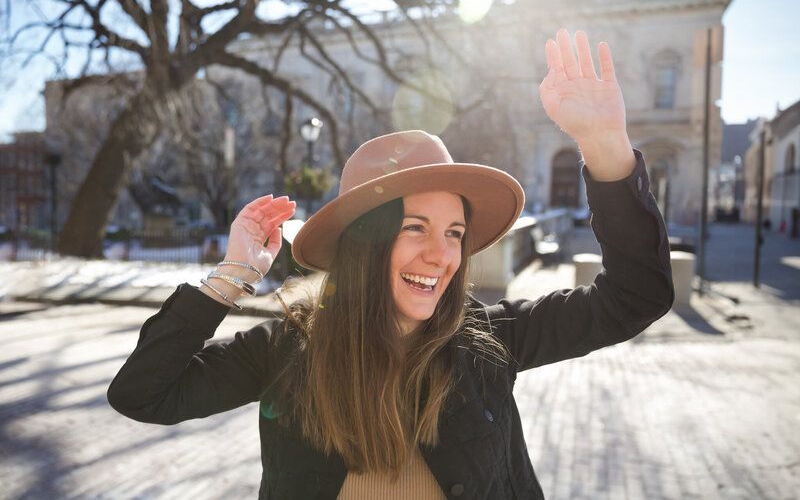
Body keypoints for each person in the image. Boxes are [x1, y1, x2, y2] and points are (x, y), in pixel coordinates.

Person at [108, 30, 674, 499]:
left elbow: (635, 296)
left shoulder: (489, 343)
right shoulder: (287, 353)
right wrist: (231, 277)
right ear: (365, 244)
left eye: (454, 233)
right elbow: (142, 395)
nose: (442, 254)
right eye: (415, 229)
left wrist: (606, 149)